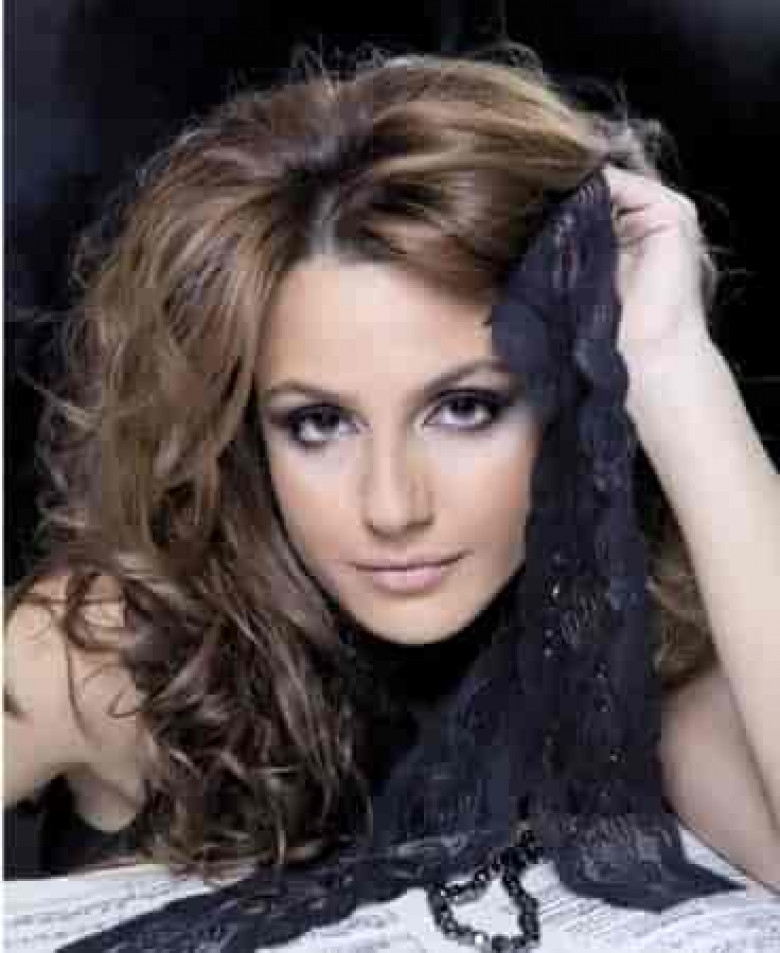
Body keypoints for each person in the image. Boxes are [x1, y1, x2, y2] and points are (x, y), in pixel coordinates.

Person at [4, 39, 779, 950]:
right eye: (319, 422)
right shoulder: (115, 648)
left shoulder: (652, 670)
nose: (392, 506)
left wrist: (672, 364)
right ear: (245, 432)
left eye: (465, 408)